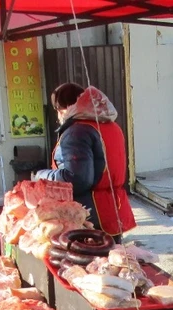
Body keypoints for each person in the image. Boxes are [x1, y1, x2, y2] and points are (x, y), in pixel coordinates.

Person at [34, 83, 135, 239]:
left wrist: (42, 175)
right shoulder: (111, 125)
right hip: (113, 209)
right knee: (110, 258)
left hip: (88, 215)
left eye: (58, 111)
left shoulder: (77, 132)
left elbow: (77, 179)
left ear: (63, 109)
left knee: (88, 262)